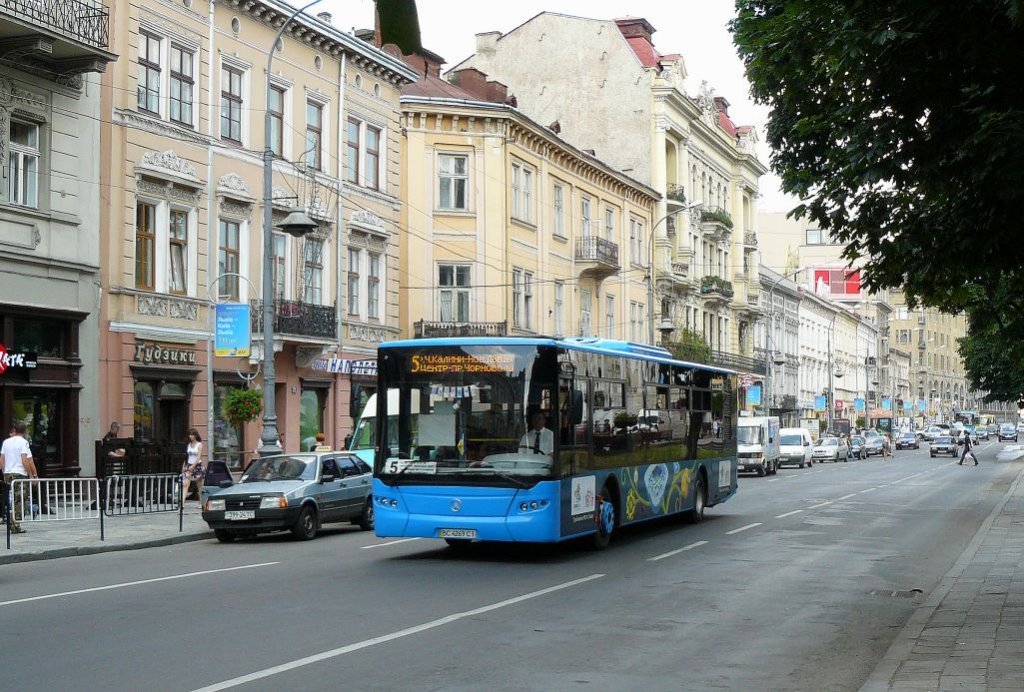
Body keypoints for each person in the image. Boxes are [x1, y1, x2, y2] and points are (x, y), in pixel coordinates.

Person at [1, 422, 38, 533]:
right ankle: (15, 525)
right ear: (25, 431)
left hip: (8, 473)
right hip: (19, 474)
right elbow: (26, 460)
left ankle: (10, 521)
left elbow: (1, 459)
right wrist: (32, 475)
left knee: (10, 499)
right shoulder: (23, 442)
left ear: (15, 430)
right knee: (20, 500)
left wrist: (4, 472)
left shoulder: (6, 442)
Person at [180, 428, 206, 505]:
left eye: (192, 435)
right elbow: (187, 456)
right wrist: (184, 465)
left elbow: (198, 457)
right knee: (185, 484)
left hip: (197, 466)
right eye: (189, 435)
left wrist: (193, 465)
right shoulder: (189, 445)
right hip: (189, 465)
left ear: (195, 435)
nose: (190, 436)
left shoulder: (199, 445)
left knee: (199, 486)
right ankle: (182, 504)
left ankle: (201, 502)